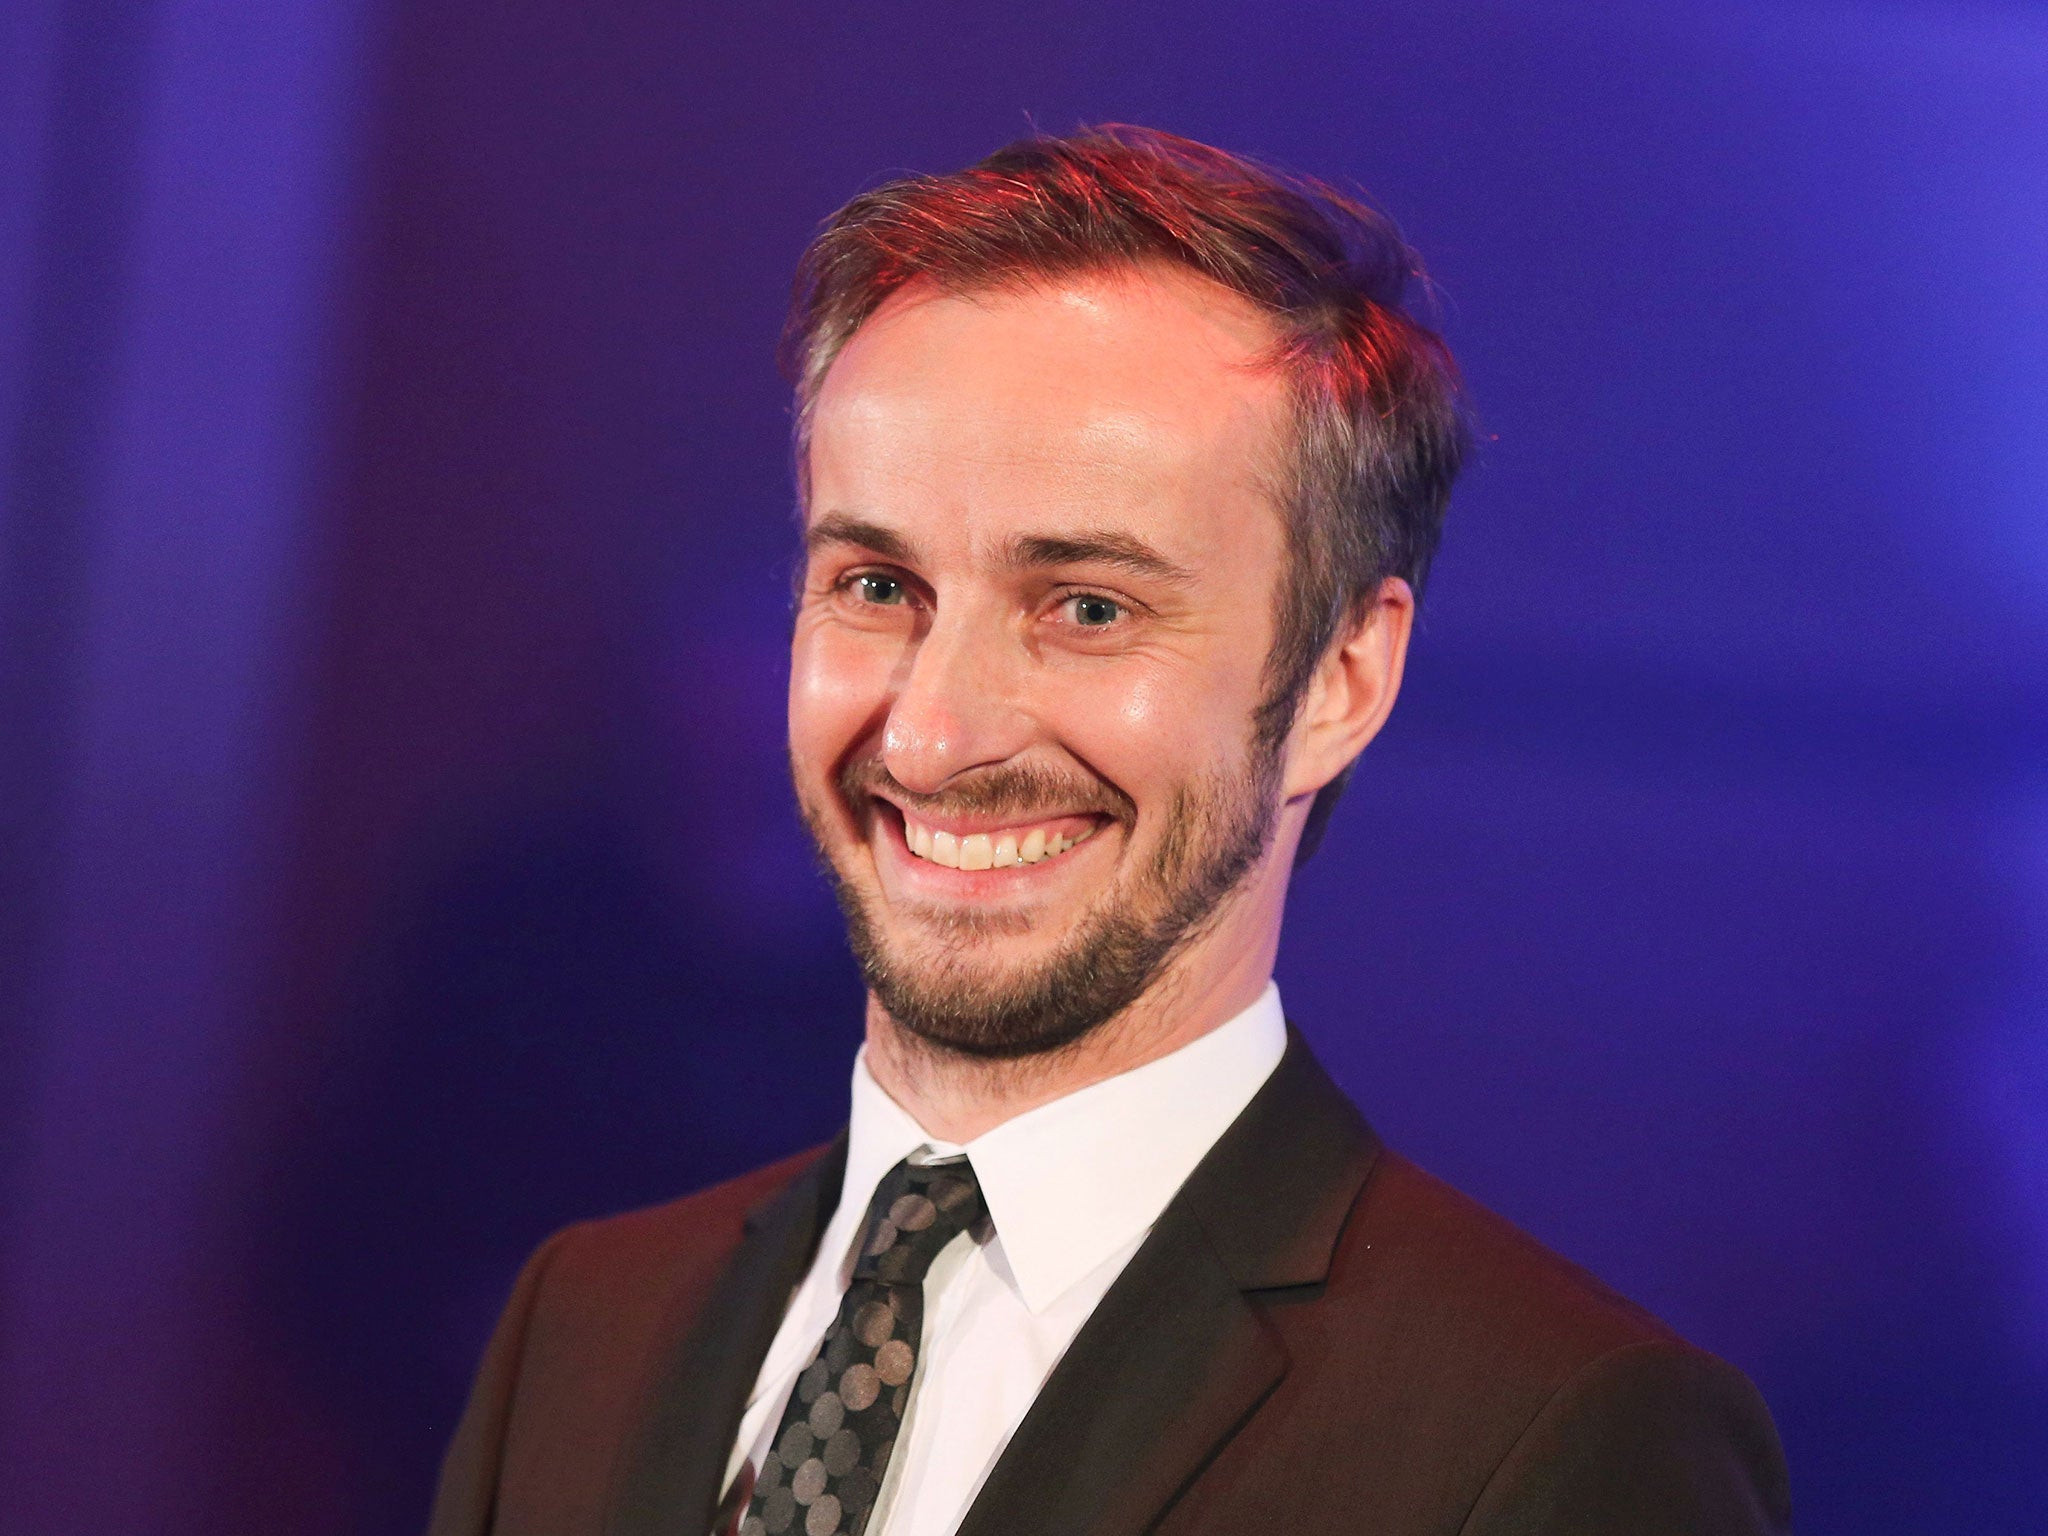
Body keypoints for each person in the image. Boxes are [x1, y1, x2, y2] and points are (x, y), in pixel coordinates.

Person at [425, 126, 1792, 1536]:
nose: (933, 734)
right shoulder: (582, 1327)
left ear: (1341, 680)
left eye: (1088, 607)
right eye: (879, 584)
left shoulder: (1551, 1435)